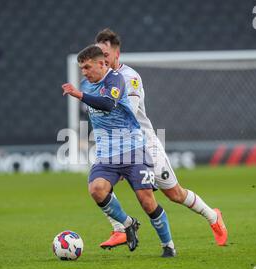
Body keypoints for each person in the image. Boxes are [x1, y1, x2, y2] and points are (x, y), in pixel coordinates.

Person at [94, 29, 227, 249]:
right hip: (116, 145)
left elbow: (127, 110)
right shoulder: (97, 80)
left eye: (105, 54)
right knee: (99, 185)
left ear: (117, 54)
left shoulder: (130, 78)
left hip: (143, 144)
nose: (102, 59)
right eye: (98, 54)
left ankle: (213, 216)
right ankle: (119, 229)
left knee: (174, 193)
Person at [62, 45, 176, 257]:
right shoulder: (87, 84)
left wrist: (78, 95)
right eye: (81, 69)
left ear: (102, 63)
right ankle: (128, 224)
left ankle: (168, 245)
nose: (84, 72)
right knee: (96, 190)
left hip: (133, 150)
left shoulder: (116, 80)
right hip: (106, 154)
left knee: (146, 201)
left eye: (87, 67)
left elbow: (107, 104)